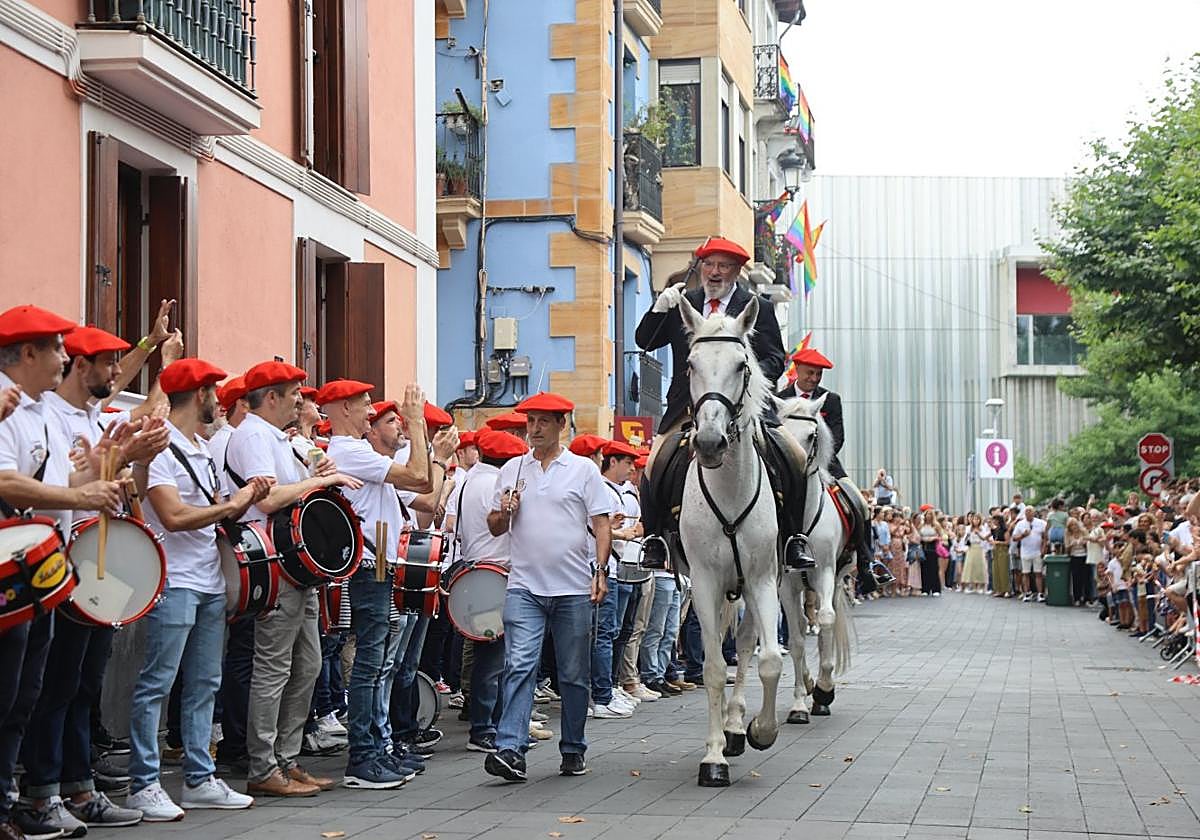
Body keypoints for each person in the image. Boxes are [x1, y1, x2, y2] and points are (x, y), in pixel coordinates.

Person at [21, 324, 172, 835]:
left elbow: (101, 480)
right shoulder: (49, 416)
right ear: (79, 367)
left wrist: (131, 461)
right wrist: (118, 461)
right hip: (54, 563)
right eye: (106, 362)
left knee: (83, 684)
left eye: (117, 361)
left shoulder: (88, 416)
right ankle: (44, 791)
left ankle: (77, 787)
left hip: (88, 563)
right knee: (55, 686)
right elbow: (60, 487)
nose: (115, 371)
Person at [128, 359, 272, 821]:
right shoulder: (162, 448)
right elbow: (171, 516)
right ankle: (143, 783)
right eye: (213, 390)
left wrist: (243, 498)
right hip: (174, 580)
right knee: (158, 684)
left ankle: (199, 777)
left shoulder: (201, 446)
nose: (219, 398)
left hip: (208, 578)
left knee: (204, 683)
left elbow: (211, 512)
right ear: (198, 394)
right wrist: (235, 502)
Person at [633, 236, 815, 572]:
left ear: (736, 271)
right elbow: (644, 341)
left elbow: (776, 356)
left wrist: (752, 376)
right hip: (686, 408)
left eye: (723, 266)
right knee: (653, 463)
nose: (714, 272)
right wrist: (659, 307)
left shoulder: (757, 306)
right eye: (709, 264)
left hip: (744, 405)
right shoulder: (682, 303)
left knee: (796, 456)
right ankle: (655, 540)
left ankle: (794, 538)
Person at [225, 361, 363, 798]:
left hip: (294, 565)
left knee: (309, 664)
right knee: (273, 668)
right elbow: (266, 501)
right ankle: (264, 765)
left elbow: (293, 492)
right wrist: (318, 483)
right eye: (293, 394)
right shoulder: (251, 434)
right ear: (271, 397)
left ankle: (285, 759)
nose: (301, 401)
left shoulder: (278, 438)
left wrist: (318, 476)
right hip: (273, 564)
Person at [482, 392, 612, 783]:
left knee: (573, 675)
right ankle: (510, 748)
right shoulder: (512, 470)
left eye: (542, 422)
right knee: (519, 665)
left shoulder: (583, 471)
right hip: (523, 586)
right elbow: (494, 527)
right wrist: (505, 511)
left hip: (573, 587)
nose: (533, 429)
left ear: (561, 425)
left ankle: (573, 748)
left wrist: (600, 570)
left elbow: (602, 523)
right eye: (530, 421)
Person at [321, 380, 433, 789]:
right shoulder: (349, 451)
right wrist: (417, 423)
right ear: (343, 408)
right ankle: (363, 755)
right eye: (364, 403)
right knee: (371, 662)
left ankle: (377, 747)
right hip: (369, 565)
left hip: (379, 561)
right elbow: (422, 479)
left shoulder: (357, 451)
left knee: (379, 658)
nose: (370, 409)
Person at [777, 346, 879, 589]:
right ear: (797, 369)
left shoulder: (830, 400)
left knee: (859, 503)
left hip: (826, 463)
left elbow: (837, 437)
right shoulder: (779, 399)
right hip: (786, 467)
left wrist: (818, 459)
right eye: (810, 373)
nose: (814, 379)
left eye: (818, 375)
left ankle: (867, 562)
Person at [454, 428, 528, 752]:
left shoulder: (469, 480)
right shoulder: (496, 484)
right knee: (494, 658)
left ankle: (489, 721)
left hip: (474, 571)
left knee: (488, 654)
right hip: (495, 574)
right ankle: (485, 727)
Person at [592, 440, 641, 719]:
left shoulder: (622, 492)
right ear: (611, 462)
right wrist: (620, 532)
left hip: (617, 566)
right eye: (627, 463)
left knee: (615, 631)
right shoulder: (601, 489)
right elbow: (597, 528)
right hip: (604, 568)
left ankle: (607, 687)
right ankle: (601, 693)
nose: (632, 469)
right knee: (603, 634)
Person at [1011, 506, 1048, 602]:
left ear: (1034, 512)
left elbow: (1045, 536)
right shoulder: (1020, 524)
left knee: (1038, 573)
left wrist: (1043, 547)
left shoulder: (1040, 523)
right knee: (1025, 573)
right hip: (1025, 551)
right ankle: (1027, 593)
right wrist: (1023, 535)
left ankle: (1040, 593)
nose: (1028, 513)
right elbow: (1014, 538)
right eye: (1026, 512)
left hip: (1037, 552)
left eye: (1030, 511)